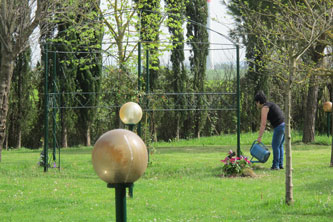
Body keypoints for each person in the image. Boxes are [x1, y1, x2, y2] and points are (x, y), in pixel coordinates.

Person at [254, 91, 285, 170]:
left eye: (256, 103)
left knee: (275, 146)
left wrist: (259, 137)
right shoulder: (270, 104)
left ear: (258, 102)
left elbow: (263, 123)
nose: (256, 105)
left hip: (279, 126)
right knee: (280, 145)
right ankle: (280, 164)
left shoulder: (264, 108)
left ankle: (275, 166)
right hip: (285, 125)